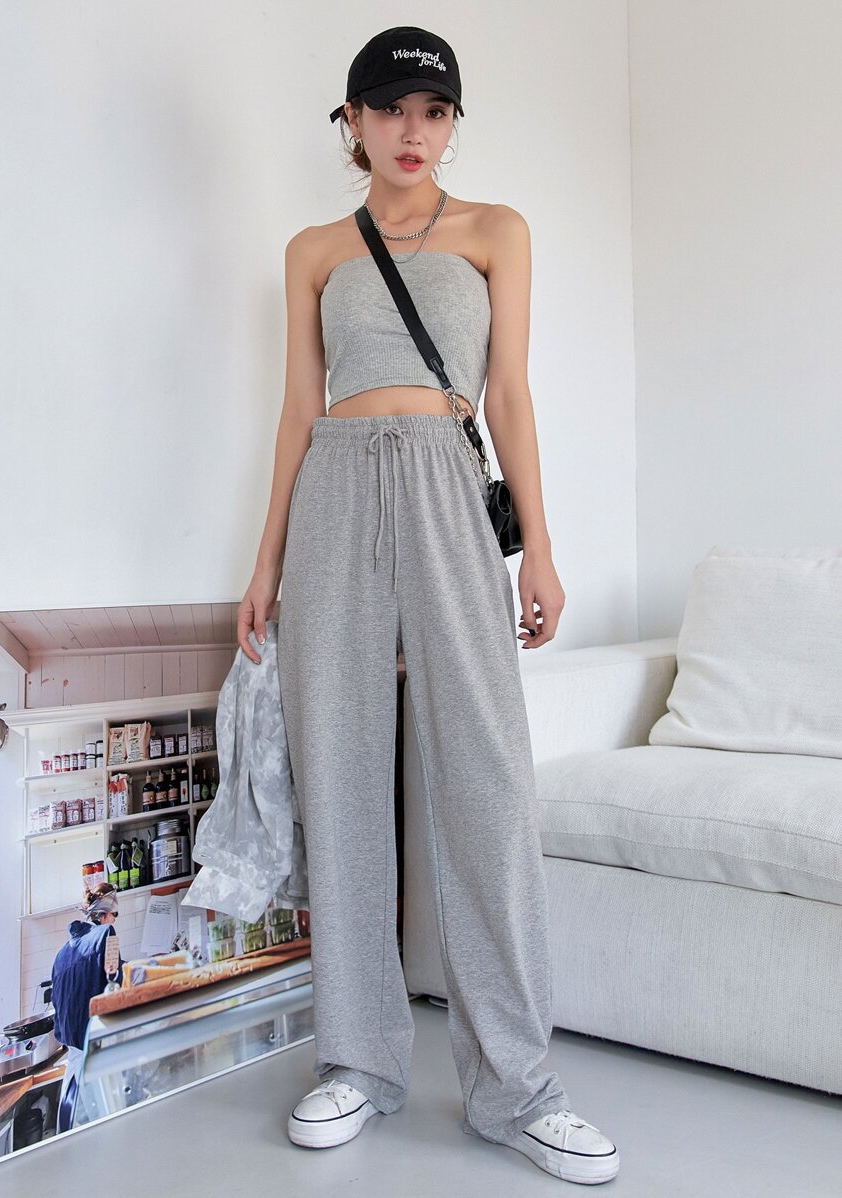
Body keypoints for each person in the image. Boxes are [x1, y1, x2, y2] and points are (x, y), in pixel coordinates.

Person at [235, 26, 620, 1187]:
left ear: (452, 123)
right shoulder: (313, 251)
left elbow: (510, 396)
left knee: (487, 780)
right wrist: (265, 562)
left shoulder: (497, 231)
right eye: (390, 109)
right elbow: (298, 410)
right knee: (341, 773)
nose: (413, 132)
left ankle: (519, 1087)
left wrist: (539, 550)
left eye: (434, 111)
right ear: (351, 122)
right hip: (335, 495)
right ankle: (356, 1060)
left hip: (450, 492)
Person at [50, 883, 123, 1133]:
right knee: (108, 1130)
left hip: (73, 1058)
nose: (114, 920)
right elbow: (114, 985)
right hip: (97, 1055)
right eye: (115, 914)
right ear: (106, 914)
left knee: (73, 1129)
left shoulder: (61, 955)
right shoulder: (107, 934)